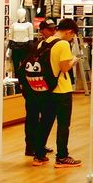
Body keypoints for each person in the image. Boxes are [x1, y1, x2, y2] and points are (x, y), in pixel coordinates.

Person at [32, 18, 82, 167]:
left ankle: (38, 155)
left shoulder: (43, 43)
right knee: (63, 124)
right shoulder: (63, 44)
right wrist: (74, 60)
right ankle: (62, 157)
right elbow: (64, 67)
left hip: (46, 89)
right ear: (69, 32)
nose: (71, 38)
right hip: (61, 89)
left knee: (45, 122)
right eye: (72, 35)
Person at [22, 19, 57, 156]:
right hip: (34, 88)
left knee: (43, 116)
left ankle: (38, 145)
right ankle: (32, 147)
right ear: (42, 31)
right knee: (34, 116)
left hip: (42, 87)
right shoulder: (34, 46)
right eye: (50, 29)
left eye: (54, 29)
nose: (53, 31)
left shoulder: (53, 45)